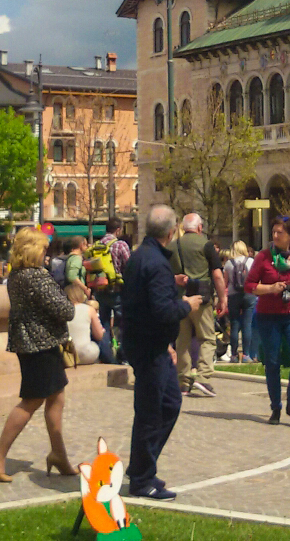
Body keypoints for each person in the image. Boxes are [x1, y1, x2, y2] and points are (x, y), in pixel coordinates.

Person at [0, 227, 77, 482]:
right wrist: (68, 298)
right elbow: (66, 311)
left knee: (56, 398)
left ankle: (59, 454)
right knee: (32, 400)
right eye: (44, 249)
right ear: (34, 249)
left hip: (30, 343)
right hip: (41, 345)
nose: (47, 254)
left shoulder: (16, 276)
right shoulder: (37, 277)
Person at [119, 204, 199, 500]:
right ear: (171, 231)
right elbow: (163, 311)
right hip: (149, 348)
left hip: (150, 345)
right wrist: (186, 305)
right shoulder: (155, 262)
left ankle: (143, 467)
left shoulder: (142, 257)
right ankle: (141, 478)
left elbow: (144, 303)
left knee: (169, 403)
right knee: (152, 412)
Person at [247, 216, 290, 423]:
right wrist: (270, 289)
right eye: (273, 232)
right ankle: (276, 407)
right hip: (268, 315)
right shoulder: (263, 257)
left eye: (280, 232)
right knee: (272, 362)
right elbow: (249, 285)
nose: (275, 236)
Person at [169, 213, 226, 397]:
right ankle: (203, 377)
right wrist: (223, 297)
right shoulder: (206, 245)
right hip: (201, 299)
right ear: (200, 227)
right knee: (208, 338)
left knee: (182, 341)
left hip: (179, 299)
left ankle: (183, 381)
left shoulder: (172, 246)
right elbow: (217, 275)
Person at [90, 218, 131, 357]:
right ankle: (123, 355)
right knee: (123, 324)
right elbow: (129, 266)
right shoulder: (120, 245)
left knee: (103, 323)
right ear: (118, 230)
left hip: (100, 290)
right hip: (118, 291)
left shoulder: (96, 245)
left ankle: (106, 355)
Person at [66, 282, 117, 366]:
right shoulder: (89, 309)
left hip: (69, 356)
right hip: (87, 355)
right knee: (101, 333)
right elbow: (99, 336)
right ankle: (111, 361)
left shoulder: (61, 312)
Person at [224, 240, 256, 363]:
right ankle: (246, 355)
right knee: (247, 324)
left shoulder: (228, 263)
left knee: (235, 324)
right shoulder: (251, 261)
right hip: (249, 294)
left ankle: (233, 355)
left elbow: (225, 282)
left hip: (233, 295)